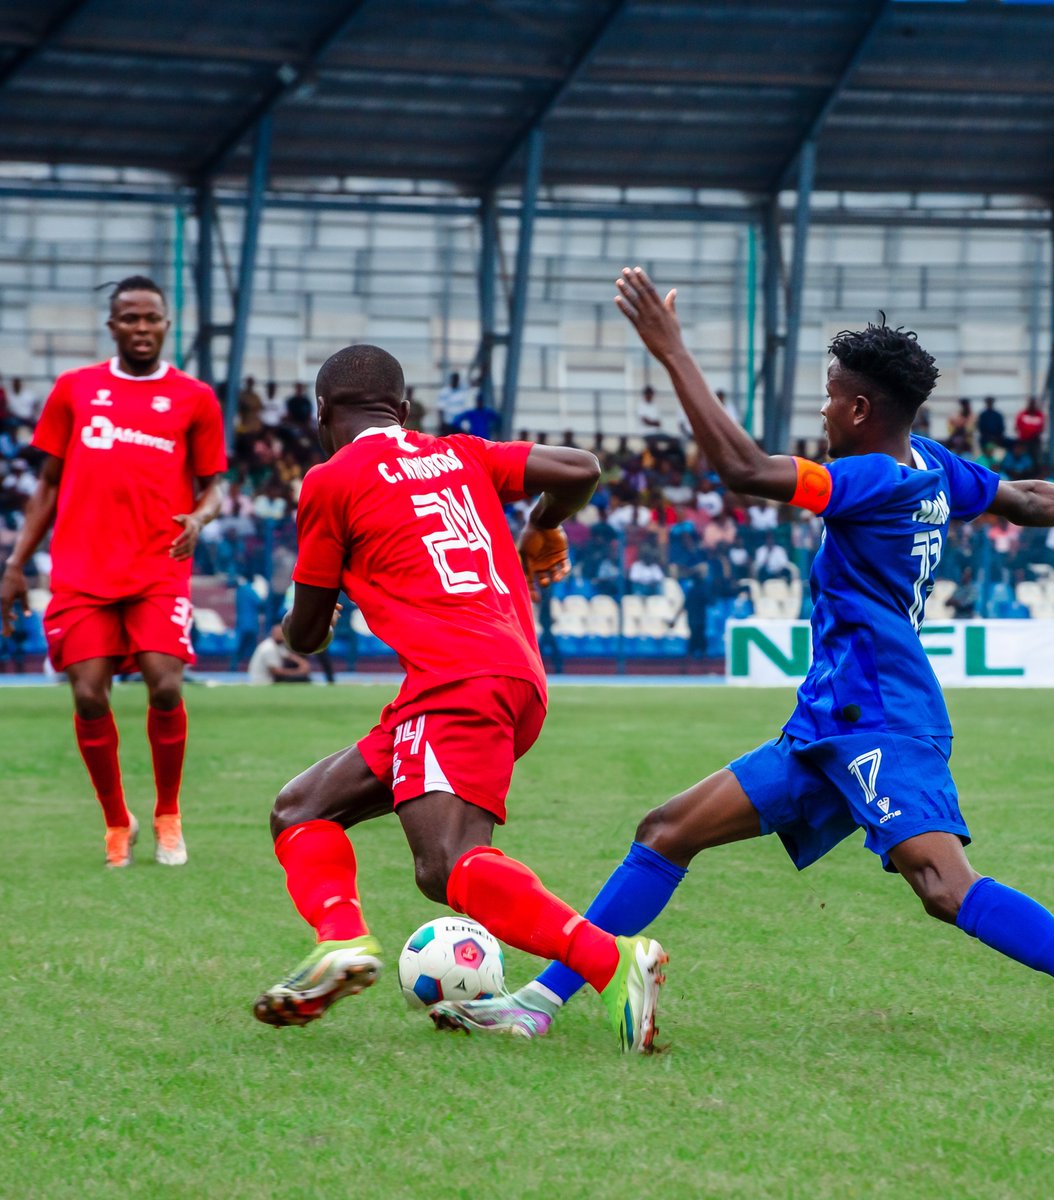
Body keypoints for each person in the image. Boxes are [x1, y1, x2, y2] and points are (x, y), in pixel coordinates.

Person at [431, 267, 1054, 1063]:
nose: (824, 409)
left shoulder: (868, 478)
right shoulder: (929, 465)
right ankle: (535, 1005)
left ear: (861, 409)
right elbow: (1028, 498)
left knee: (944, 887)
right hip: (827, 725)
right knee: (666, 831)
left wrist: (672, 352)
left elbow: (743, 471)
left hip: (883, 721)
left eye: (830, 396)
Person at [250, 343, 667, 1053]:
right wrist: (543, 526)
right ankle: (341, 941)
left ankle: (613, 961)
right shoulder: (458, 453)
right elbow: (580, 469)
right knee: (300, 809)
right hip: (507, 674)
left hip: (456, 679)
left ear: (322, 414)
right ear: (404, 411)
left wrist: (296, 618)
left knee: (447, 866)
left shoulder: (330, 479)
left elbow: (310, 634)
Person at [0, 275, 226, 868]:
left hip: (158, 565)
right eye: (130, 319)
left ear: (166, 324)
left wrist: (199, 518)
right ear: (113, 326)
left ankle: (168, 815)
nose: (142, 329)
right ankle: (116, 822)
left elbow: (214, 486)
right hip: (81, 570)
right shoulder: (76, 390)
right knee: (89, 694)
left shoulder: (195, 397)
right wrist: (16, 564)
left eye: (151, 318)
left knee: (166, 682)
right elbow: (47, 484)